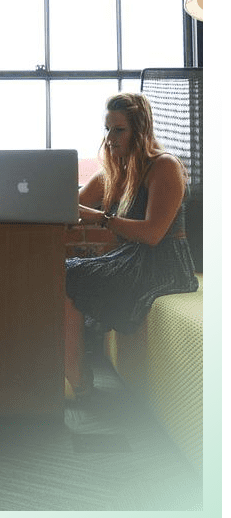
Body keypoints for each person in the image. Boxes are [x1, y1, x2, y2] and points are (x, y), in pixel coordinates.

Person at [64, 92, 199, 399]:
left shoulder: (164, 166)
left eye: (118, 130)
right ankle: (73, 374)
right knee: (62, 272)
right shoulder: (116, 170)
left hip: (164, 263)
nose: (110, 138)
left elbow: (153, 234)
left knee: (68, 275)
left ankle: (75, 380)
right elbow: (71, 206)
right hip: (131, 257)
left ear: (140, 131)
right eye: (107, 129)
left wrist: (102, 219)